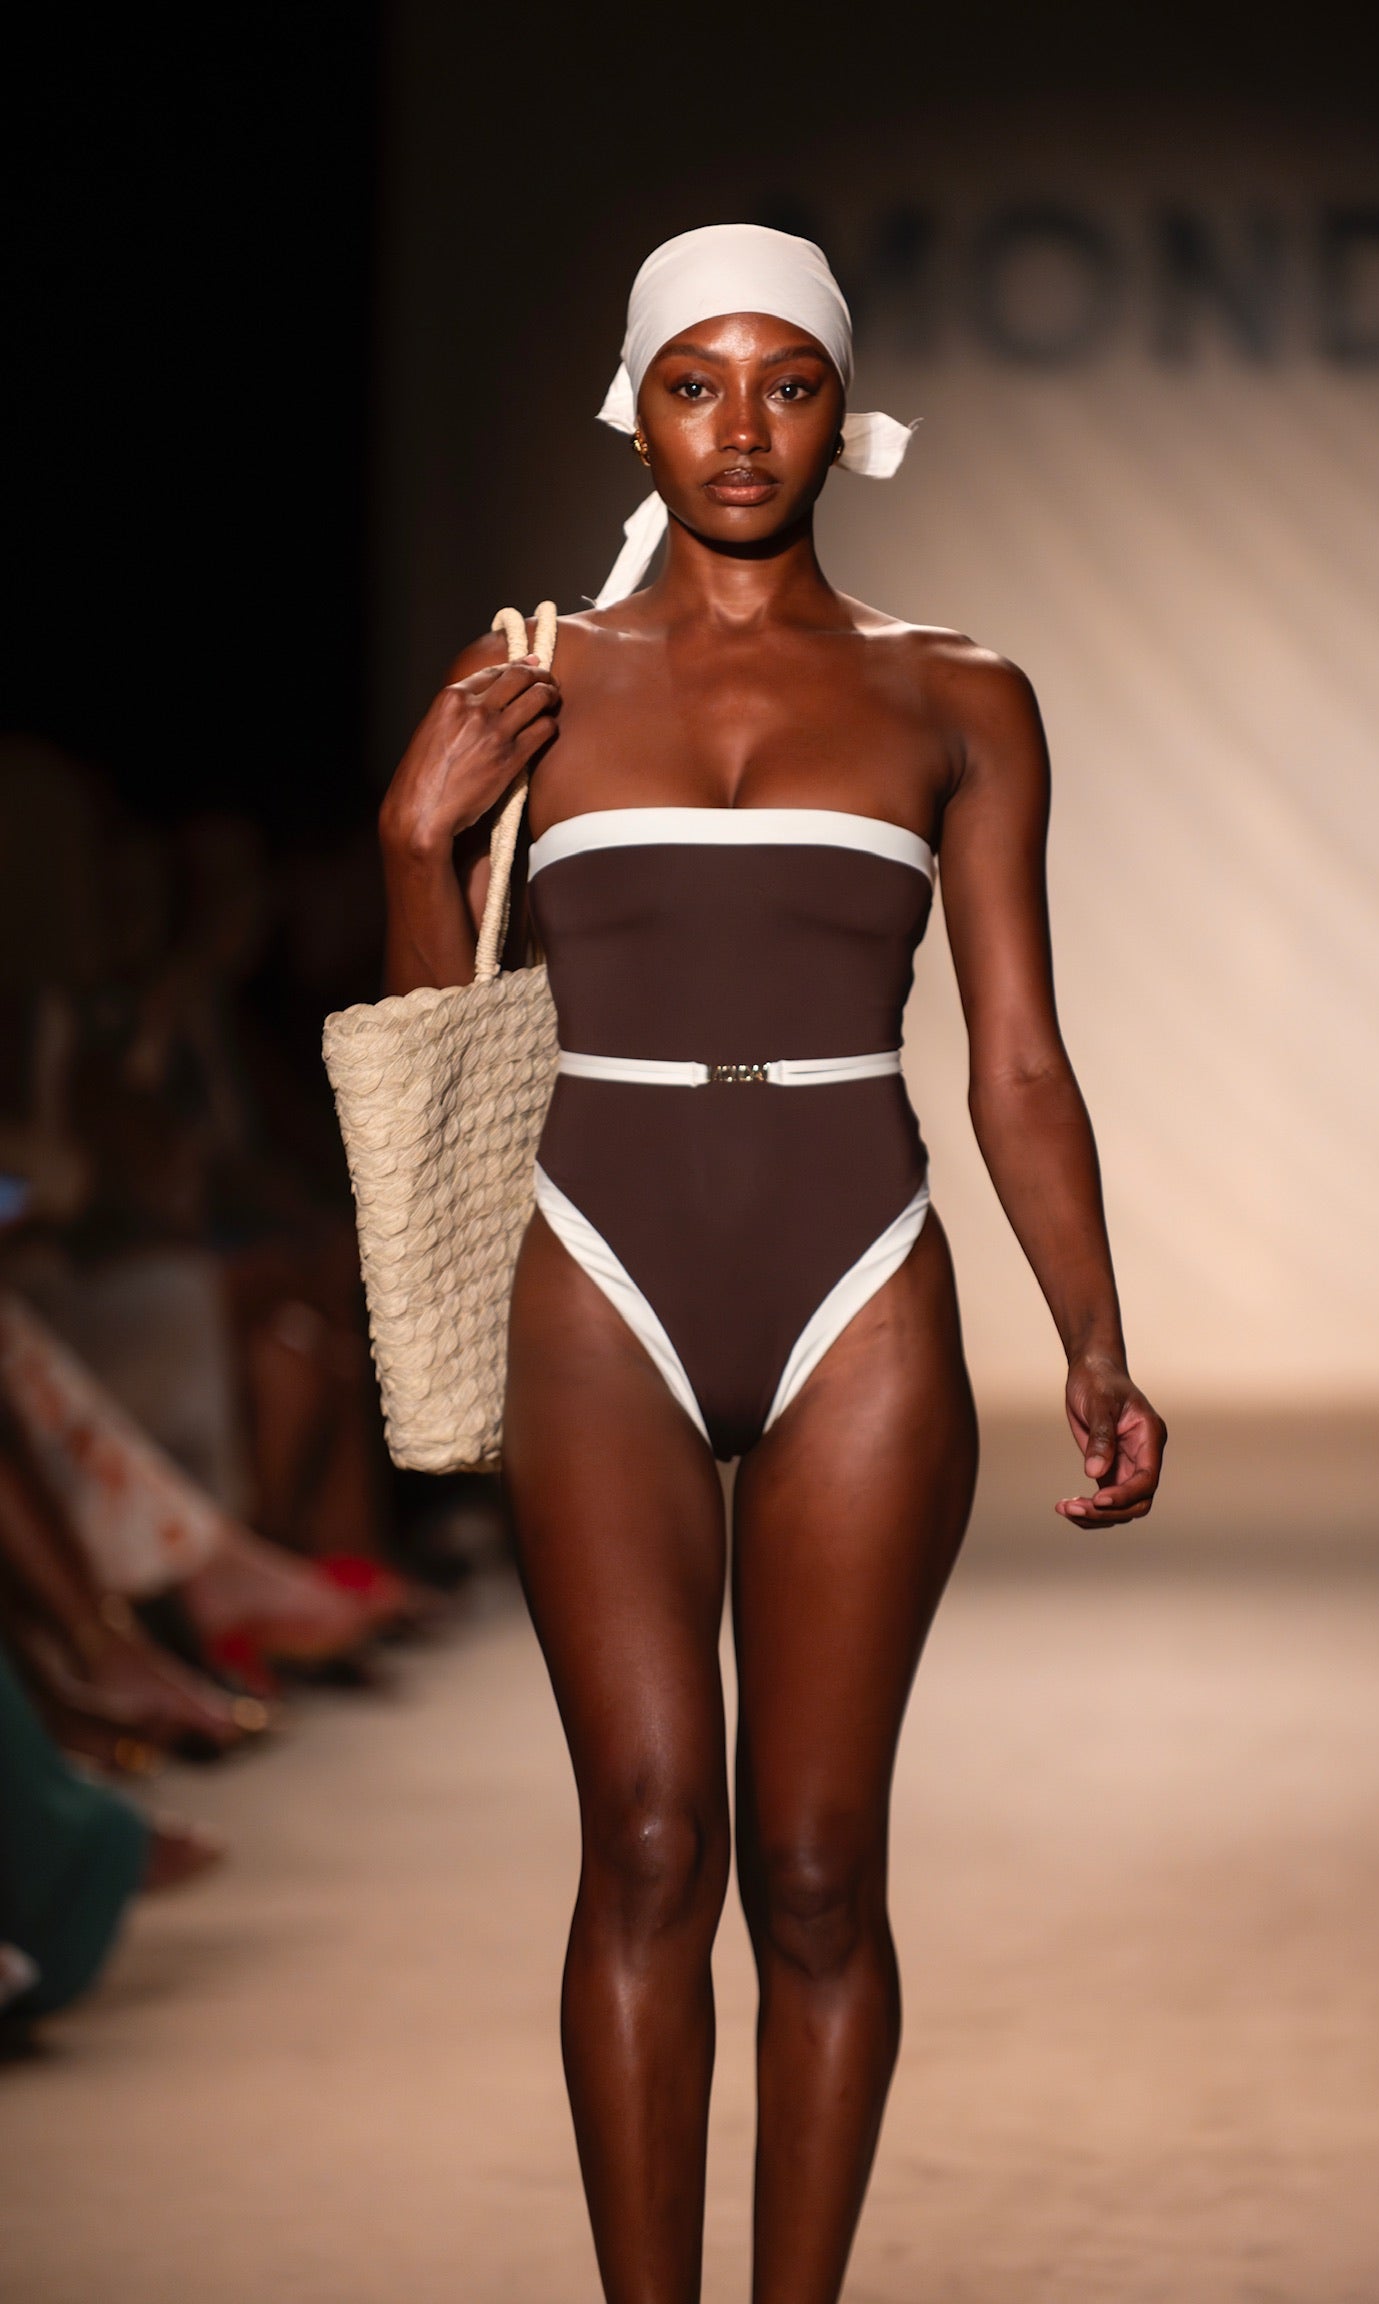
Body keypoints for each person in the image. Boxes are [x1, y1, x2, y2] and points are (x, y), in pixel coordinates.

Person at [377, 224, 1166, 2304]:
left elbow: (1016, 1053)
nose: (740, 427)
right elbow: (441, 1050)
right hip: (591, 1261)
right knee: (646, 1836)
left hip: (858, 1274)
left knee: (818, 1869)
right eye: (696, 382)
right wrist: (410, 847)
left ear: (844, 411)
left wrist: (1094, 1336)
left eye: (787, 382)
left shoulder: (958, 691)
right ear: (634, 403)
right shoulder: (529, 673)